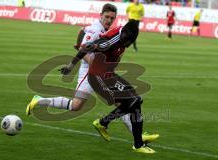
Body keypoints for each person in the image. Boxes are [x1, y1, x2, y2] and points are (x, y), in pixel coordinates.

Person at [26, 3, 159, 144]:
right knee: (78, 106)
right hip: (89, 71)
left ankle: (138, 136)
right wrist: (91, 66)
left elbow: (81, 35)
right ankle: (39, 101)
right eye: (106, 17)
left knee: (122, 102)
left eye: (112, 18)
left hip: (99, 72)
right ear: (100, 15)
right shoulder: (95, 30)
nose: (109, 20)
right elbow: (83, 50)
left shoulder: (106, 30)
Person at [59, 20, 156, 154]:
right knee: (134, 101)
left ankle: (133, 141)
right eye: (126, 41)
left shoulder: (126, 32)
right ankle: (108, 125)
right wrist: (70, 66)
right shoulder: (109, 41)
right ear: (123, 35)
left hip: (108, 75)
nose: (127, 44)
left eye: (129, 42)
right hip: (98, 77)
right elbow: (86, 47)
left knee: (135, 101)